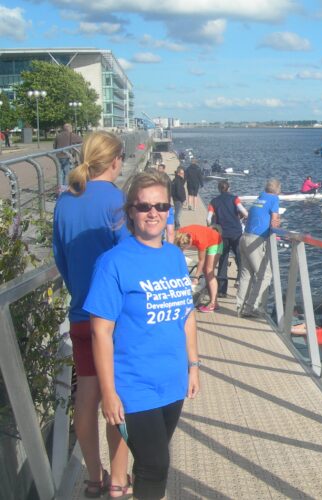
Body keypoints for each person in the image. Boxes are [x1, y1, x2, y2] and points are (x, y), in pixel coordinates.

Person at [86, 171, 200, 500]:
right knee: (156, 465)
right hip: (134, 385)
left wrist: (193, 365)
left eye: (161, 206)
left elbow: (187, 314)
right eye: (144, 206)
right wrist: (108, 393)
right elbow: (101, 332)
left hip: (172, 381)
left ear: (169, 211)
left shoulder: (175, 256)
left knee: (152, 458)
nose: (153, 213)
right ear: (130, 211)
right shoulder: (113, 263)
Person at [52, 130, 130, 497]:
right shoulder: (116, 201)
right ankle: (118, 480)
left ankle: (93, 477)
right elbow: (129, 262)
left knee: (86, 396)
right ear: (115, 161)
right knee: (117, 398)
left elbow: (61, 259)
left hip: (81, 313)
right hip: (114, 320)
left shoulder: (65, 202)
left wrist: (79, 293)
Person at [237, 178, 281, 318]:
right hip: (256, 239)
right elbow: (274, 220)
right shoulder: (274, 199)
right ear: (277, 190)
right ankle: (252, 307)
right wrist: (277, 227)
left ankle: (239, 306)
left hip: (244, 237)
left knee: (246, 274)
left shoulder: (260, 197)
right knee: (265, 275)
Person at [207, 180, 248, 298]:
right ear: (228, 188)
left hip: (222, 234)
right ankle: (240, 281)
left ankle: (221, 290)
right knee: (240, 258)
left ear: (219, 189)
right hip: (236, 232)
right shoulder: (235, 199)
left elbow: (208, 219)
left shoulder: (213, 201)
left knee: (223, 260)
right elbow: (244, 212)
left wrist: (213, 227)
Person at [174, 225, 223, 313]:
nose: (185, 249)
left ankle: (213, 303)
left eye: (186, 247)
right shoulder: (179, 234)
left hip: (216, 241)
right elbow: (177, 252)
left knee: (208, 271)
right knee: (205, 271)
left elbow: (201, 260)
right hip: (207, 236)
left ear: (191, 242)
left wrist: (196, 277)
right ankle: (213, 300)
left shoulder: (201, 241)